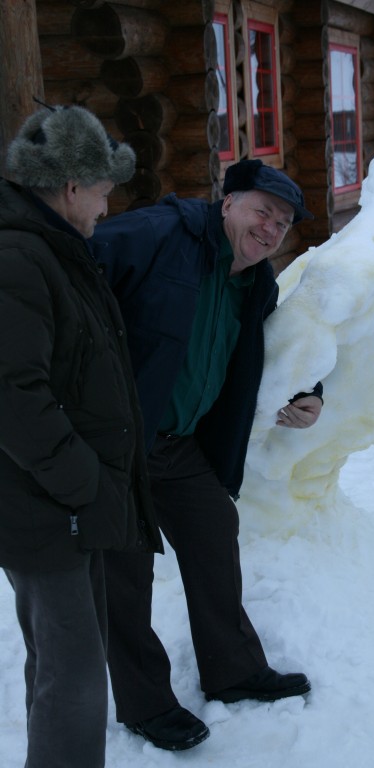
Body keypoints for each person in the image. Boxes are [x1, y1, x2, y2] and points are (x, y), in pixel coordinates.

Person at [92, 159, 323, 752]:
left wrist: (308, 392)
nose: (271, 228)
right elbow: (71, 268)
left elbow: (277, 347)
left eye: (283, 221)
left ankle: (233, 670)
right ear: (227, 204)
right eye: (261, 211)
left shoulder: (256, 280)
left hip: (176, 444)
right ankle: (145, 704)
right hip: (114, 443)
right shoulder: (158, 234)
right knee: (124, 570)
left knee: (214, 530)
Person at [0, 104, 163, 768]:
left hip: (63, 506)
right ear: (72, 187)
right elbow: (13, 395)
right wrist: (85, 486)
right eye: (103, 188)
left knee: (66, 664)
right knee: (73, 679)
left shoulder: (54, 248)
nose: (107, 203)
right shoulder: (18, 257)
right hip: (46, 508)